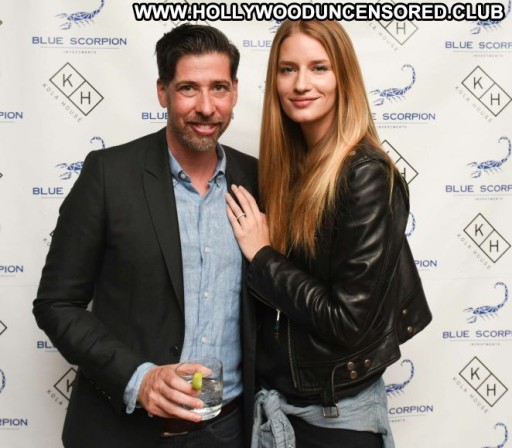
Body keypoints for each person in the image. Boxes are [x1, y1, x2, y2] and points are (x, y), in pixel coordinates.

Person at [33, 24, 258, 448]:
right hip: (125, 431)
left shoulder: (258, 180)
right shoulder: (108, 175)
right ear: (162, 92)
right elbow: (56, 304)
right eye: (188, 88)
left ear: (235, 91)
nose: (206, 107)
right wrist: (140, 379)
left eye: (219, 88)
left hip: (227, 430)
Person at [225, 20, 432, 448]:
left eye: (319, 68)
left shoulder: (365, 174)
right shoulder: (291, 169)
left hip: (336, 422)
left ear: (343, 78)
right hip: (281, 411)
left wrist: (263, 257)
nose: (301, 84)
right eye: (287, 69)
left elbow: (348, 320)